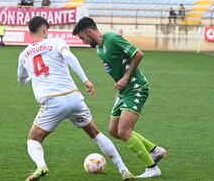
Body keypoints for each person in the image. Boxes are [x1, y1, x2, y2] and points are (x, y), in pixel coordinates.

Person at [18, 16, 135, 181]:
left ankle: (41, 166)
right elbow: (69, 57)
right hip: (73, 97)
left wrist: (33, 76)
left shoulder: (24, 54)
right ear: (45, 30)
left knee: (33, 140)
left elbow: (21, 79)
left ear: (30, 32)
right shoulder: (56, 42)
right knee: (95, 133)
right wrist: (85, 80)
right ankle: (124, 170)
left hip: (52, 101)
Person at [72, 17, 166, 179]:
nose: (83, 41)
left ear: (89, 31)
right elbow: (117, 69)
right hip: (123, 92)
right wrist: (120, 86)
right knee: (114, 131)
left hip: (136, 88)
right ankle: (155, 150)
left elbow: (138, 54)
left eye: (82, 37)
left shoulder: (111, 38)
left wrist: (126, 78)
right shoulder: (99, 49)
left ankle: (152, 168)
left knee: (124, 132)